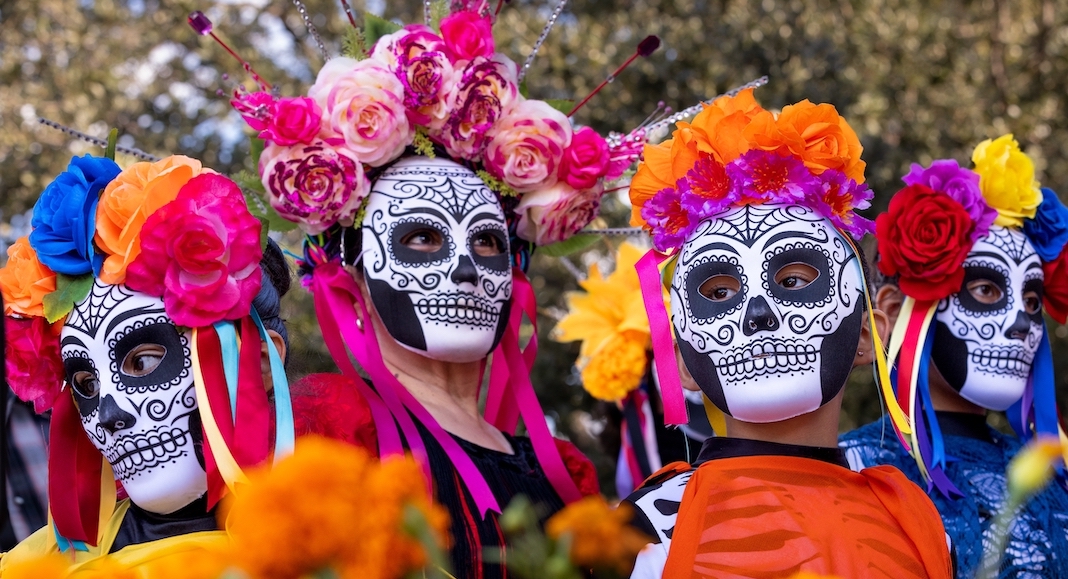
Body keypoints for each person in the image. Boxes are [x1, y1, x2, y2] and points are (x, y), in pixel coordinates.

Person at [224, 6, 636, 575]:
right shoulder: (327, 436)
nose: (467, 270)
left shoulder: (565, 472)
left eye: (489, 243)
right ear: (354, 268)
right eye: (421, 237)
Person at [621, 89, 953, 578]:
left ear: (867, 337)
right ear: (684, 362)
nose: (757, 313)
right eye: (718, 292)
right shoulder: (642, 533)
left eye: (794, 281)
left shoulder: (918, 527)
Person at [0, 154, 294, 573]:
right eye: (85, 382)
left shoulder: (352, 540)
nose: (108, 414)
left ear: (261, 364)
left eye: (143, 361)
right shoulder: (32, 570)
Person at [840, 137, 1068, 578]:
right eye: (986, 290)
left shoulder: (1054, 476)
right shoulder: (849, 471)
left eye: (1033, 300)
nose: (1022, 320)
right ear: (891, 311)